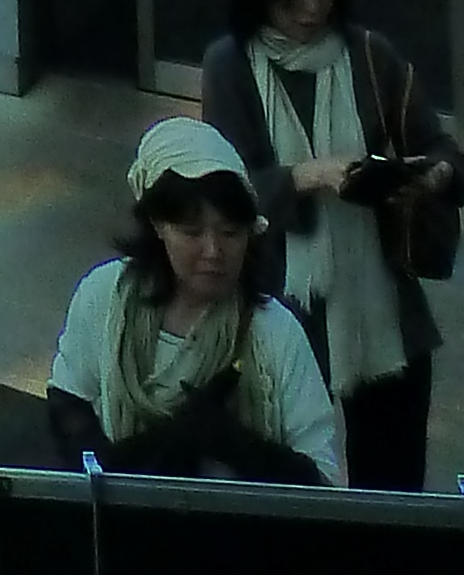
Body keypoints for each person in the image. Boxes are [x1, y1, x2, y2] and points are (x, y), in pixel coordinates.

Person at [201, 0, 464, 491]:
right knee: (293, 491)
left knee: (394, 495)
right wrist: (310, 175)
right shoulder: (231, 67)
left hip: (385, 320)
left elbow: (446, 153)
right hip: (284, 318)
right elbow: (226, 191)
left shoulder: (369, 55)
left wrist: (429, 179)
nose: (311, 7)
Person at [46, 118, 343, 485]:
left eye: (231, 233)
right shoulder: (104, 296)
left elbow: (325, 480)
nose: (214, 252)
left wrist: (234, 443)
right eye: (191, 232)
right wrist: (120, 464)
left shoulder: (275, 333)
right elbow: (68, 399)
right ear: (157, 225)